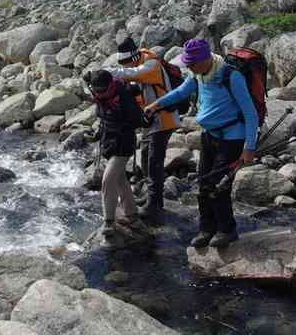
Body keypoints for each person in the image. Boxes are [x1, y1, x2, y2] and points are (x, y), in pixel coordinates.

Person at [143, 38, 258, 248]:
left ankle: (227, 230)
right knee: (203, 182)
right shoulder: (198, 74)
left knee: (218, 185)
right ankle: (207, 228)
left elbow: (250, 114)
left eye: (190, 63)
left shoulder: (231, 76)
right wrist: (156, 105)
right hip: (209, 135)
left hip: (232, 138)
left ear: (205, 59)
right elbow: (181, 93)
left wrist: (249, 148)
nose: (187, 67)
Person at [108, 37, 181, 223]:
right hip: (150, 120)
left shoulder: (151, 64)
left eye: (125, 62)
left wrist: (110, 73)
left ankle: (154, 204)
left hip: (164, 119)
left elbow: (134, 73)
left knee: (154, 161)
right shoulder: (141, 65)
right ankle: (150, 196)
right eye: (121, 63)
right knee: (145, 157)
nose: (124, 65)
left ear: (133, 57)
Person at [86, 70, 148, 239]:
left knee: (108, 180)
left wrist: (143, 120)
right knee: (120, 179)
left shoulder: (124, 96)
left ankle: (109, 221)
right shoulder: (102, 96)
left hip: (123, 143)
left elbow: (137, 120)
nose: (98, 93)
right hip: (108, 141)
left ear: (110, 85)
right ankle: (132, 215)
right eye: (96, 90)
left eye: (101, 90)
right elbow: (102, 115)